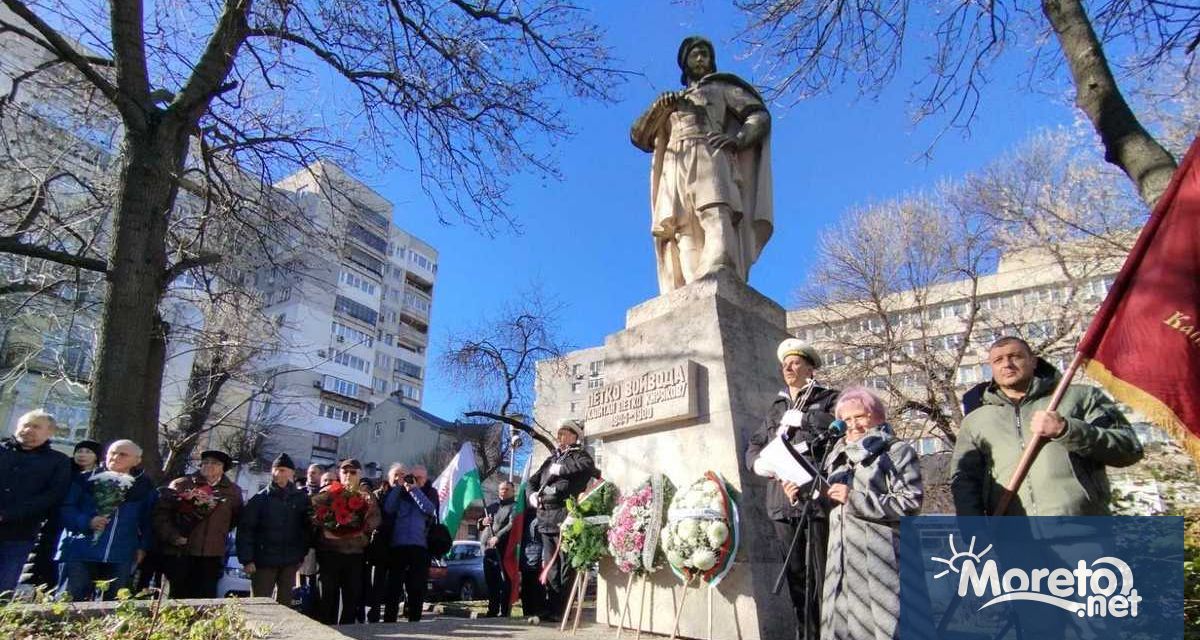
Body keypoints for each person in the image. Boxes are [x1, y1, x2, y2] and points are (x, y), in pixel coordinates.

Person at [630, 35, 773, 293]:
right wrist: (659, 108)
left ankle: (719, 266)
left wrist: (738, 139)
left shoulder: (720, 88)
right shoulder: (671, 101)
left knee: (715, 210)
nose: (700, 58)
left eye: (705, 54)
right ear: (684, 62)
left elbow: (759, 115)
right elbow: (639, 137)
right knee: (682, 225)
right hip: (675, 160)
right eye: (695, 54)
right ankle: (691, 280)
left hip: (710, 151)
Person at [951, 336, 1144, 516]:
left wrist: (1066, 430)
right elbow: (965, 481)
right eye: (998, 360)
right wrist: (974, 531)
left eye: (1015, 357)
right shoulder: (977, 419)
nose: (1007, 365)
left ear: (1034, 361)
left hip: (1082, 530)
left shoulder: (1080, 397)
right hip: (1012, 536)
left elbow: (1129, 448)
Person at [744, 338, 839, 640]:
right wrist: (758, 464)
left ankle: (828, 632)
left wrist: (808, 418)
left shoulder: (828, 397)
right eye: (785, 363)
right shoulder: (776, 407)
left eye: (796, 362)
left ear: (810, 368)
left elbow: (842, 426)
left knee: (821, 575)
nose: (788, 366)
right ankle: (805, 633)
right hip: (782, 503)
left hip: (815, 499)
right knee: (797, 578)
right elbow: (756, 444)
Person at [820, 387, 923, 640]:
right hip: (841, 557)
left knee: (885, 627)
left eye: (860, 417)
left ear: (877, 416)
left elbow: (910, 502)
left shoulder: (896, 451)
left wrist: (854, 499)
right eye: (846, 420)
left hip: (880, 556)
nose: (853, 425)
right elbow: (830, 503)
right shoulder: (835, 456)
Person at [56, 440, 156, 601]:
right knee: (69, 600)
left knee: (114, 604)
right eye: (112, 453)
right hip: (81, 550)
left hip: (121, 554)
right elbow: (67, 508)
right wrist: (87, 522)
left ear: (137, 460)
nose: (115, 457)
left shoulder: (144, 486)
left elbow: (148, 520)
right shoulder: (85, 479)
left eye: (123, 454)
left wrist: (143, 547)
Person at [528, 419, 597, 623]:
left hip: (564, 517)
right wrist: (532, 495)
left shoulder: (579, 456)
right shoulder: (551, 460)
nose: (560, 437)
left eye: (565, 433)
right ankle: (551, 607)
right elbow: (532, 482)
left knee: (566, 566)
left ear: (575, 436)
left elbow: (588, 467)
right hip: (545, 517)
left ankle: (563, 608)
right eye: (559, 434)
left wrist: (562, 469)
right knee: (550, 566)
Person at [154, 449, 243, 598]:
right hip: (181, 551)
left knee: (205, 598)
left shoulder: (233, 492)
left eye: (215, 463)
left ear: (223, 468)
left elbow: (234, 519)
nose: (209, 465)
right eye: (205, 462)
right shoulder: (182, 484)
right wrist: (173, 537)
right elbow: (161, 515)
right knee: (177, 596)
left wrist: (217, 534)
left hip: (211, 554)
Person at [0, 410, 72, 593]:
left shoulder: (58, 462)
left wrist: (8, 514)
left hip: (19, 533)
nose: (28, 430)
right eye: (25, 425)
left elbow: (52, 496)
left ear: (49, 433)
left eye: (36, 427)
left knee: (4, 588)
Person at [27, 439, 102, 590]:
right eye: (79, 451)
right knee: (43, 560)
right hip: (53, 523)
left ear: (97, 456)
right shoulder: (63, 470)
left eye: (88, 452)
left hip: (78, 529)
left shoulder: (100, 477)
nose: (82, 455)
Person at [237, 453, 311, 606]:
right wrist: (247, 559)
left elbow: (306, 529)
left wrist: (300, 555)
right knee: (259, 603)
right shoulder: (259, 499)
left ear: (292, 473)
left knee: (284, 605)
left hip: (290, 561)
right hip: (264, 561)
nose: (278, 473)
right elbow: (246, 530)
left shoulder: (301, 499)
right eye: (276, 469)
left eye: (283, 470)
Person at [314, 458, 380, 625]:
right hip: (330, 553)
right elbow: (314, 514)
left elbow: (375, 520)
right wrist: (328, 528)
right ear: (339, 474)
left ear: (360, 475)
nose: (348, 475)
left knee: (351, 598)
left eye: (353, 472)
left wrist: (359, 529)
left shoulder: (366, 497)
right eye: (345, 472)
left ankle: (348, 632)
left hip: (354, 554)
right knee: (327, 597)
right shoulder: (329, 492)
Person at [381, 461, 437, 622]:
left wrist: (414, 489)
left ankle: (414, 620)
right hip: (398, 545)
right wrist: (400, 486)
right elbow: (389, 508)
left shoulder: (430, 492)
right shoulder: (399, 493)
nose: (417, 480)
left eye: (420, 478)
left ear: (426, 479)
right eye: (414, 477)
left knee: (416, 586)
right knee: (394, 585)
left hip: (419, 545)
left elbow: (429, 509)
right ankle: (389, 620)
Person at [365, 464, 402, 623]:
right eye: (396, 475)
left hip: (398, 544)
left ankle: (390, 619)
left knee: (394, 584)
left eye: (402, 475)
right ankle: (373, 615)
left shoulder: (408, 494)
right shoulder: (379, 494)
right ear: (389, 477)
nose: (399, 478)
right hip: (381, 544)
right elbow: (385, 512)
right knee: (377, 583)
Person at [479, 481, 516, 617]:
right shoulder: (492, 506)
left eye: (506, 489)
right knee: (491, 581)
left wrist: (498, 537)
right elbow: (480, 523)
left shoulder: (514, 506)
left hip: (503, 549)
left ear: (513, 491)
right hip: (487, 549)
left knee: (504, 581)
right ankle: (492, 610)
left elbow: (512, 524)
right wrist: (482, 522)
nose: (503, 491)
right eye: (501, 489)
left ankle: (505, 610)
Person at [518, 508, 544, 619]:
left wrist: (543, 557)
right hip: (525, 556)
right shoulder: (523, 515)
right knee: (526, 587)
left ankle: (537, 612)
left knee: (536, 587)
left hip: (537, 556)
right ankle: (528, 612)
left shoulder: (541, 515)